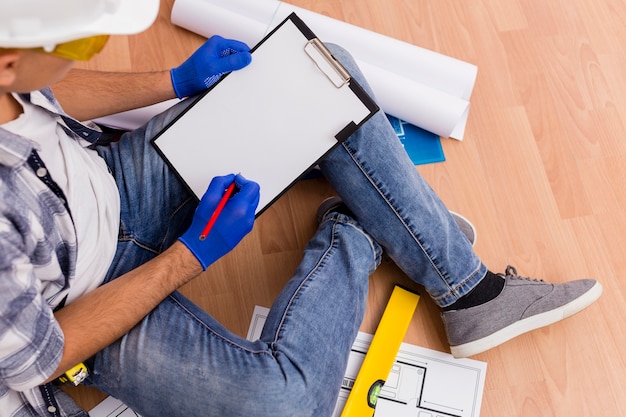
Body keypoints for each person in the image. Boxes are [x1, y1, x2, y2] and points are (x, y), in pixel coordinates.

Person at [0, 1, 602, 416]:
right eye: (71, 44)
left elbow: (39, 87)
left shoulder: (10, 59)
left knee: (322, 72)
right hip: (83, 309)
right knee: (285, 406)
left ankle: (470, 294)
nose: (78, 53)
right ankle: (356, 229)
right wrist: (191, 255)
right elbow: (41, 355)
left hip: (111, 179)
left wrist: (176, 78)